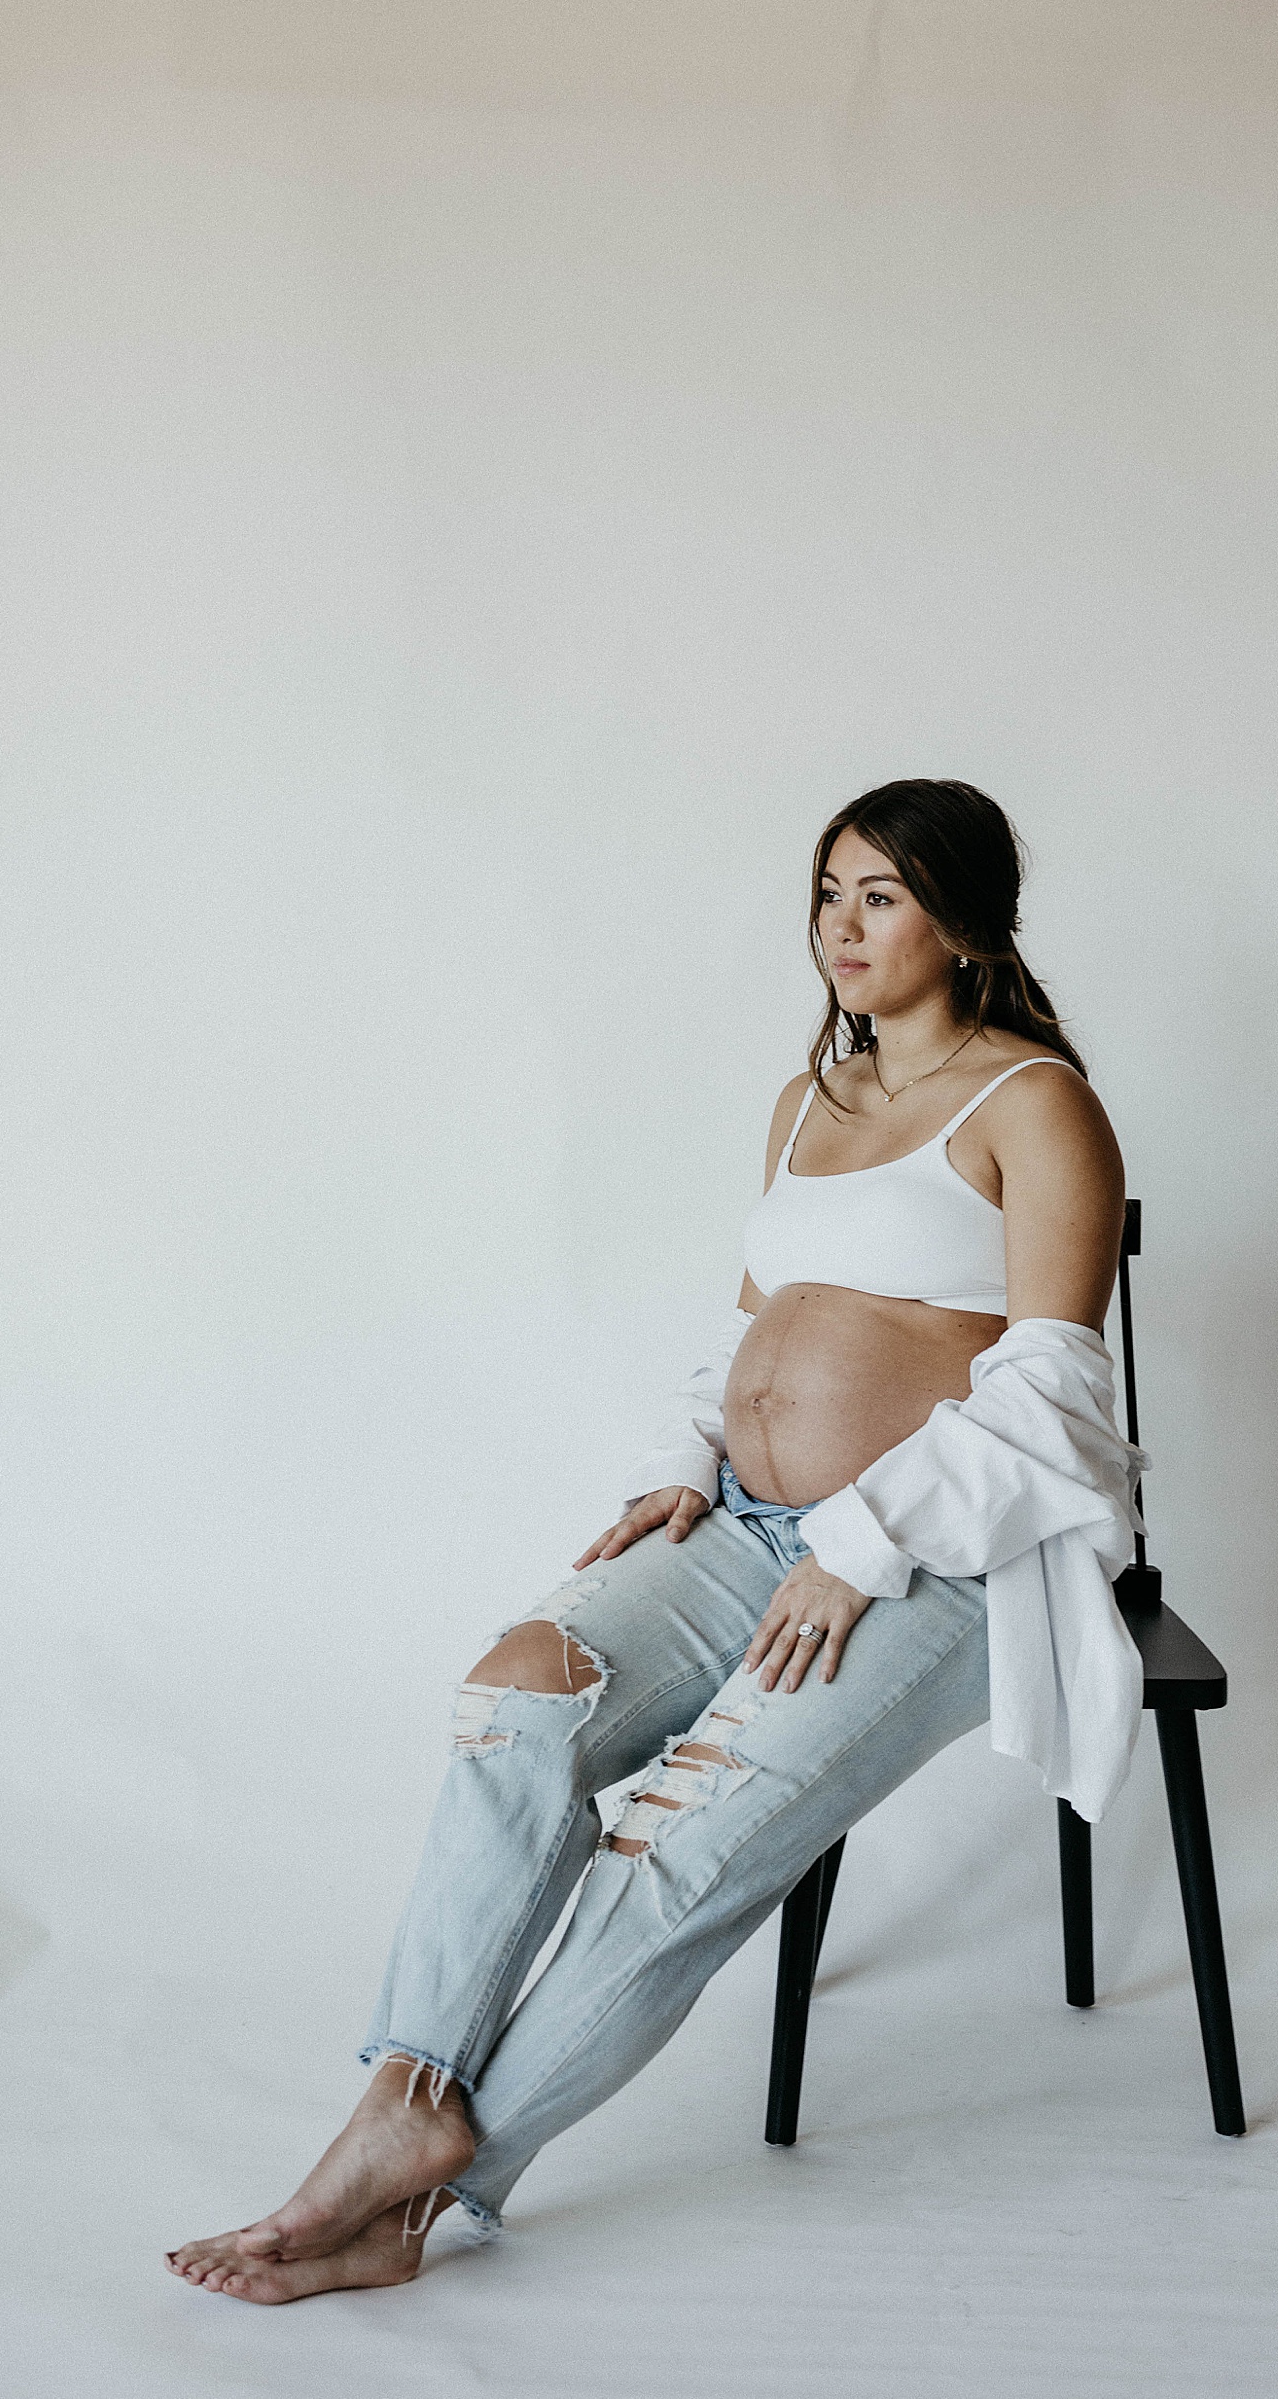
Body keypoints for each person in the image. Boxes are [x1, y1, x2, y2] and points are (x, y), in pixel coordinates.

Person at [165, 777, 1136, 2303]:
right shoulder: (808, 1103)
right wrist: (691, 1458)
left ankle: (418, 2196)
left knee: (670, 1844)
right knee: (517, 1691)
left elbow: (1059, 1392)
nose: (840, 927)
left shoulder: (1033, 1103)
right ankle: (403, 2099)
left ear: (960, 920)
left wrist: (864, 1542)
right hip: (745, 1527)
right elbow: (756, 1329)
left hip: (931, 1561)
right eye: (827, 892)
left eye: (879, 895)